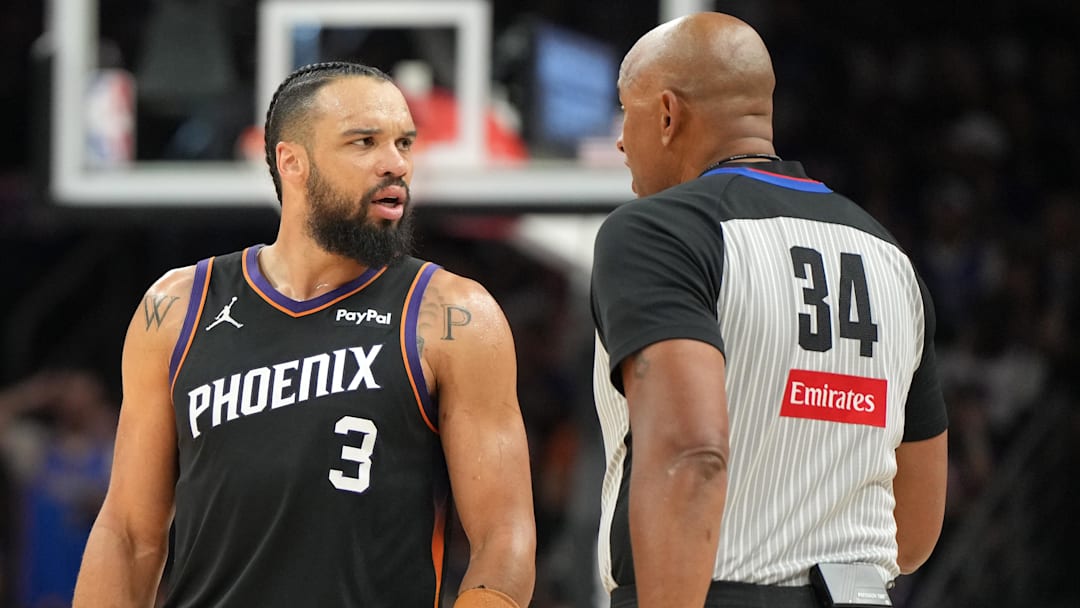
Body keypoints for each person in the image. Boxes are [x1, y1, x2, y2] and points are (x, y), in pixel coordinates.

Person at [72, 61, 536, 608]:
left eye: (404, 143)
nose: (397, 164)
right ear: (291, 161)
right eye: (365, 142)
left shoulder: (454, 315)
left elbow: (504, 539)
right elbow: (127, 533)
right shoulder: (177, 307)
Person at [590, 12, 948, 608]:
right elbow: (912, 533)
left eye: (626, 112)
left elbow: (690, 451)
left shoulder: (656, 232)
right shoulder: (890, 256)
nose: (622, 139)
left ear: (668, 114)